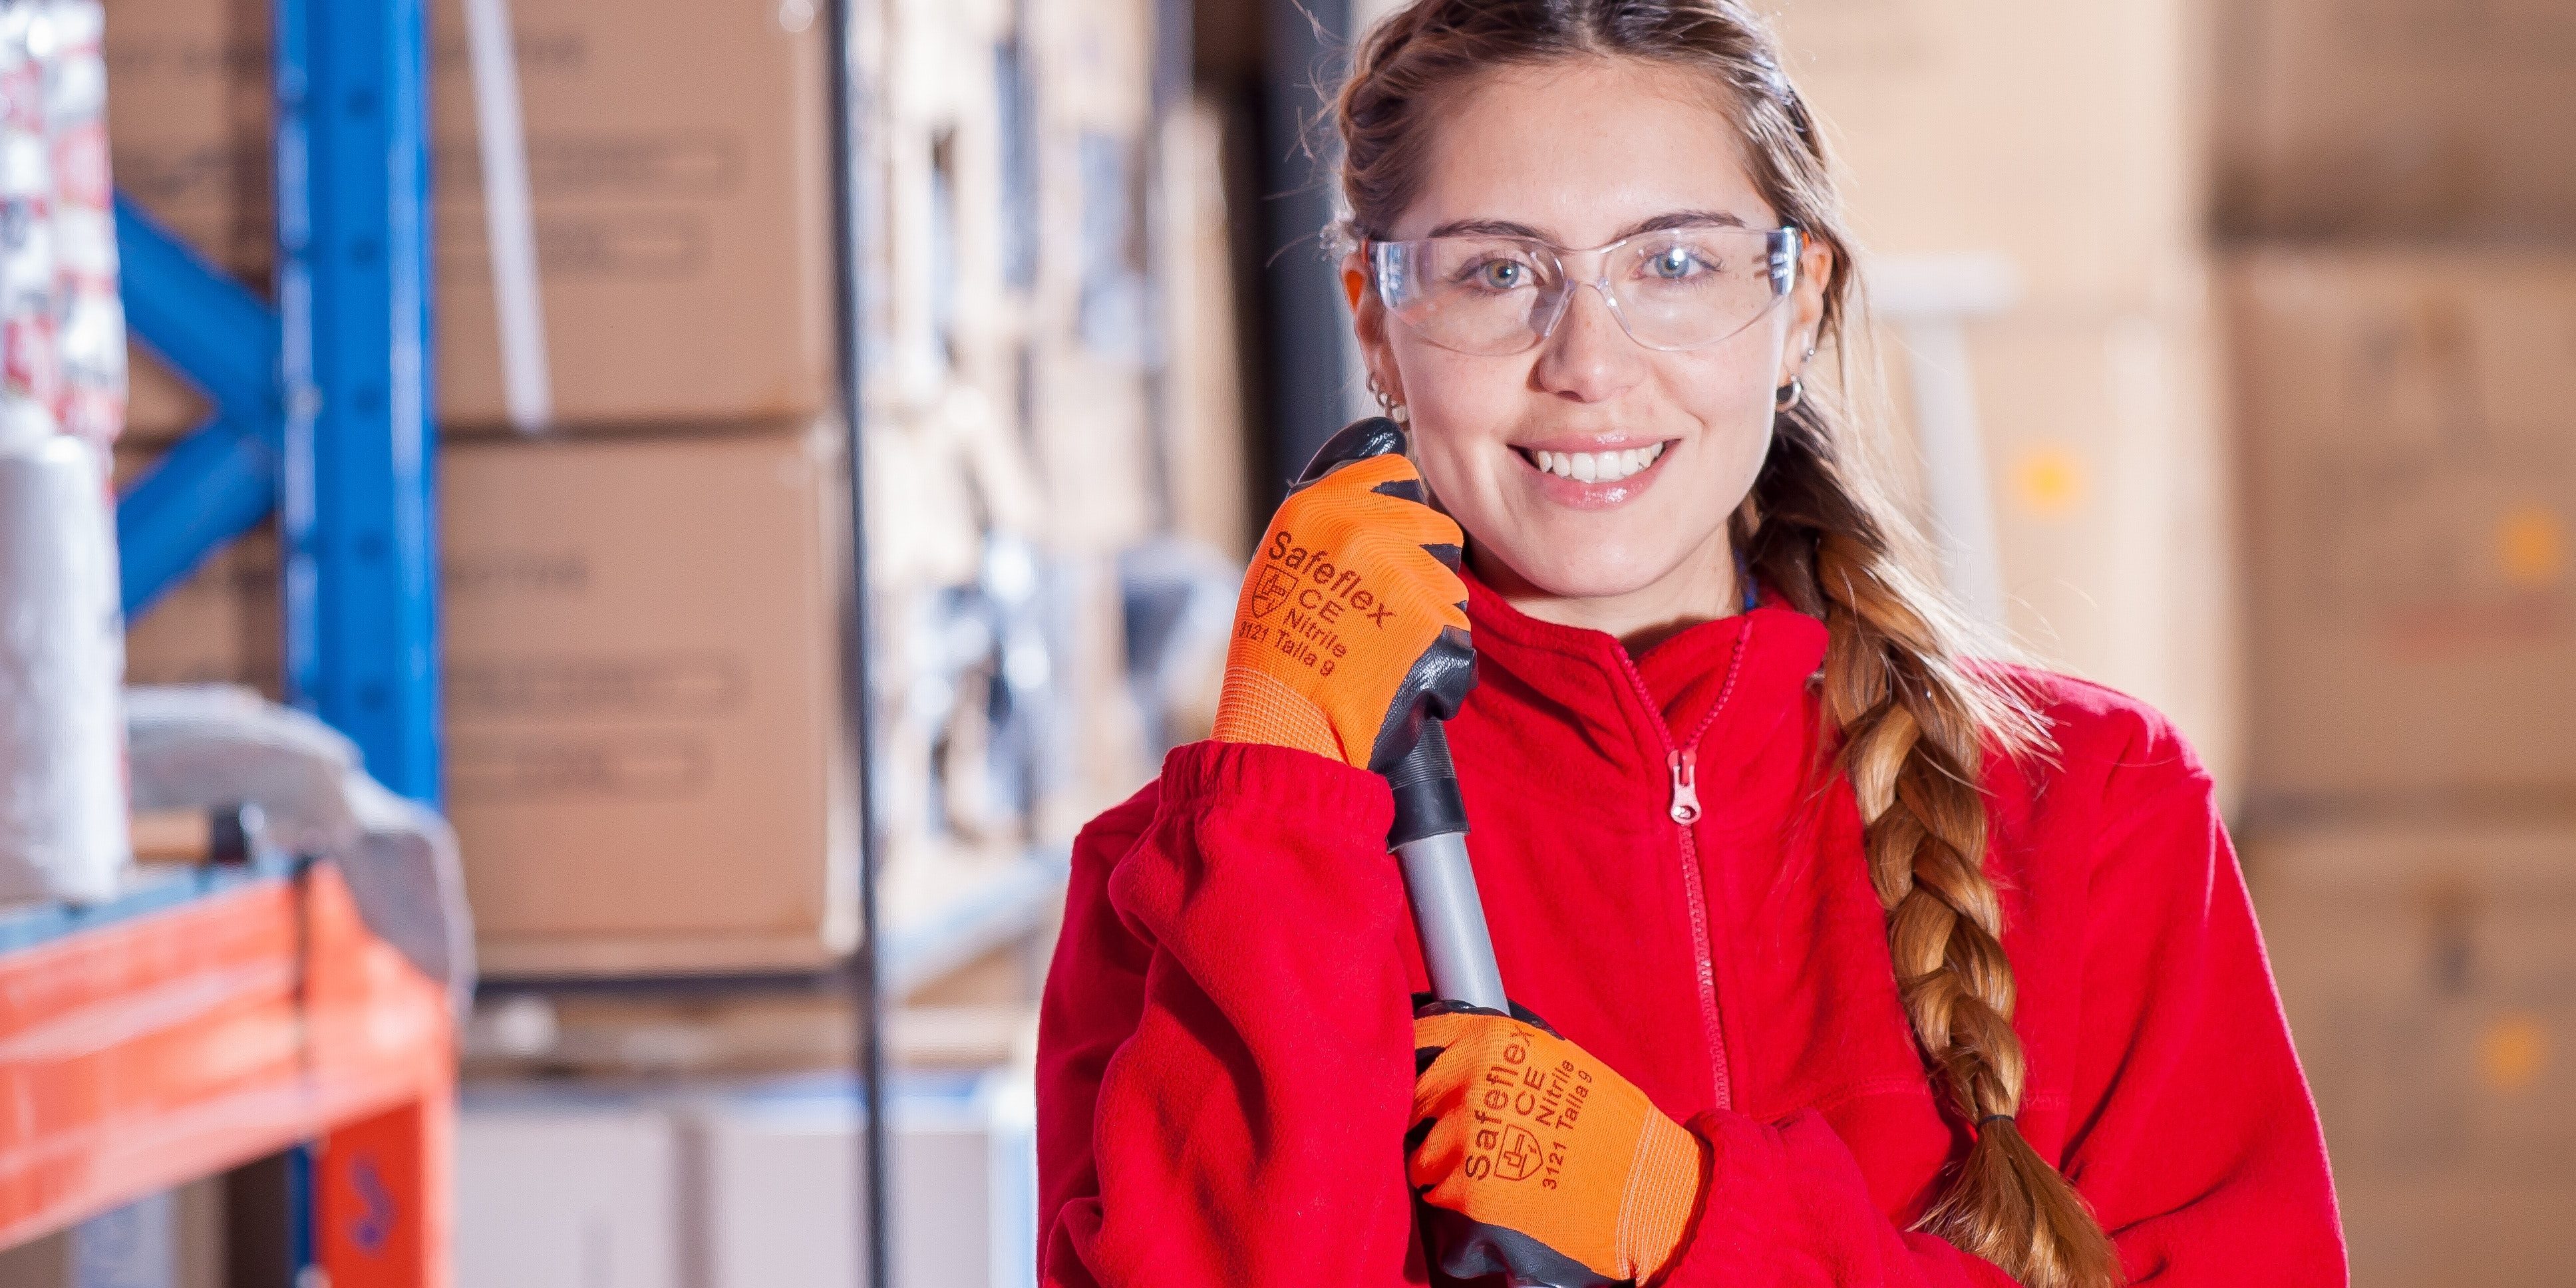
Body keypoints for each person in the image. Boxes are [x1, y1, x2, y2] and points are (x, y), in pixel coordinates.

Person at [1035, 0, 2346, 1283]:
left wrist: (1695, 1224)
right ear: (1375, 320)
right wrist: (1278, 794)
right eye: (1498, 271)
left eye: (1672, 264)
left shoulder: (2095, 803)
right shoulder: (1187, 884)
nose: (1590, 365)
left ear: (1795, 302)